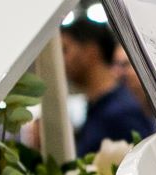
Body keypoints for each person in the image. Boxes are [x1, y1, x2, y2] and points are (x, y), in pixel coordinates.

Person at [62, 20, 150, 156]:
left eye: (65, 50)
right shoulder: (99, 108)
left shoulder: (121, 112)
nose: (62, 60)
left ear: (90, 52)